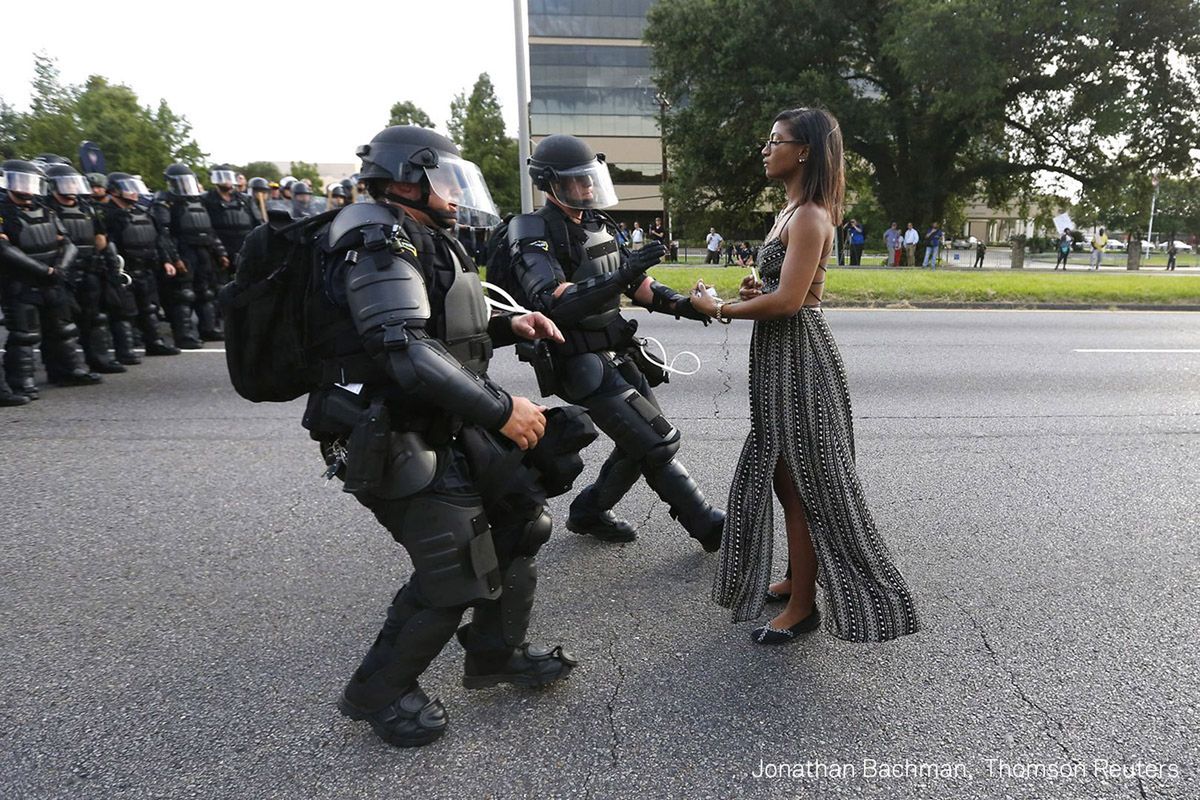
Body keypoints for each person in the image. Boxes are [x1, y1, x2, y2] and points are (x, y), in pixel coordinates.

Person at [306, 126, 589, 748]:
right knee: (457, 565)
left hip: (437, 418)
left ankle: (494, 652)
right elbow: (404, 348)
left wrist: (513, 322)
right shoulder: (374, 238)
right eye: (446, 180)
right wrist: (500, 409)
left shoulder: (419, 236)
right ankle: (378, 692)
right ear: (408, 178)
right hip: (385, 430)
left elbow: (440, 320)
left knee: (522, 519)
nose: (458, 195)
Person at [688, 107, 919, 645]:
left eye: (776, 140)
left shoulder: (812, 214)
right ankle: (798, 575)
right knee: (782, 474)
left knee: (806, 482)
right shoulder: (789, 212)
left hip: (800, 359)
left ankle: (803, 606)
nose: (766, 149)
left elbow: (792, 302)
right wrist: (753, 293)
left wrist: (718, 308)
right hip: (779, 355)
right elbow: (780, 289)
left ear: (805, 151)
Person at [507, 133, 725, 551]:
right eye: (577, 180)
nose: (588, 187)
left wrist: (687, 305)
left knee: (640, 442)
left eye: (591, 178)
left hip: (616, 350)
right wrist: (623, 276)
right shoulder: (532, 229)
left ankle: (589, 511)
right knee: (656, 440)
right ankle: (708, 525)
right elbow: (551, 300)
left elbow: (638, 284)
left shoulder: (596, 224)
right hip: (576, 359)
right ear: (550, 183)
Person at [0, 159, 103, 397]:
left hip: (53, 278)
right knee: (25, 335)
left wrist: (60, 268)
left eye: (30, 182)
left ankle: (68, 371)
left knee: (63, 328)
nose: (26, 188)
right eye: (20, 181)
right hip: (21, 281)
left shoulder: (46, 209)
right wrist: (43, 271)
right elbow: (4, 249)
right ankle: (21, 381)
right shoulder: (3, 212)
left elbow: (68, 242)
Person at [44, 163, 126, 374]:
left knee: (94, 318)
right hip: (61, 273)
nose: (71, 187)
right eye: (66, 183)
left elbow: (101, 237)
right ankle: (62, 369)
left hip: (89, 269)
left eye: (73, 182)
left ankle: (99, 359)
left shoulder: (87, 207)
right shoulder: (46, 209)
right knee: (62, 324)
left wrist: (108, 264)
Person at [103, 173, 181, 358]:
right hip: (125, 270)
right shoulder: (108, 215)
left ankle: (155, 343)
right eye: (128, 188)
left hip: (146, 268)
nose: (134, 193)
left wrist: (166, 261)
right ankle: (126, 351)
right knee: (124, 312)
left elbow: (159, 239)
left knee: (150, 308)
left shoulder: (143, 212)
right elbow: (106, 245)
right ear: (114, 191)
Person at [151, 163, 229, 345]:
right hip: (183, 250)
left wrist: (220, 252)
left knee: (207, 292)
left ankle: (208, 328)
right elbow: (164, 234)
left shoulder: (198, 201)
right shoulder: (164, 202)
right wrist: (174, 258)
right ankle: (184, 335)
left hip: (204, 250)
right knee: (183, 294)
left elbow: (209, 230)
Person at [202, 166, 258, 267]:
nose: (226, 180)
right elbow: (206, 227)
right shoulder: (206, 199)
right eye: (222, 177)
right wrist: (219, 251)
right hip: (219, 248)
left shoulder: (246, 199)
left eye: (228, 177)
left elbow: (258, 223)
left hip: (245, 246)